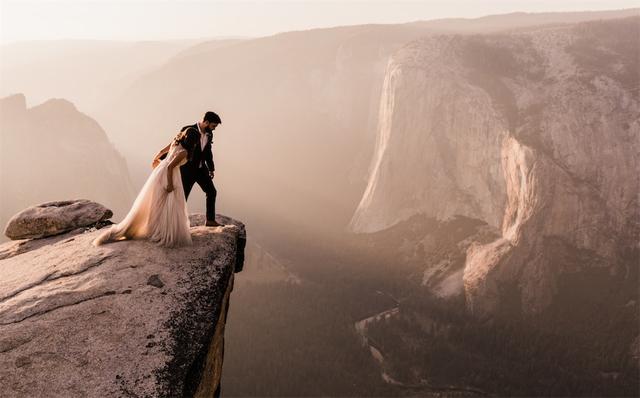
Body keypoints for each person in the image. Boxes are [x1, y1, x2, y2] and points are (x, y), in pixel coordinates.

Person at [92, 128, 200, 247]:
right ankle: (163, 231)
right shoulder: (184, 152)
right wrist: (170, 184)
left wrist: (155, 160)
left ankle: (156, 228)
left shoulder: (176, 142)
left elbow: (161, 152)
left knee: (158, 203)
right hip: (169, 175)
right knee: (168, 203)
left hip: (160, 172)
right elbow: (170, 167)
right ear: (193, 141)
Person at [153, 111, 222, 227]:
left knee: (211, 192)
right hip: (187, 171)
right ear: (206, 122)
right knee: (182, 198)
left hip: (201, 170)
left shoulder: (209, 134)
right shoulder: (188, 130)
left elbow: (208, 152)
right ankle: (173, 223)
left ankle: (210, 220)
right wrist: (161, 158)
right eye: (213, 126)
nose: (214, 129)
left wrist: (211, 168)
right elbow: (176, 147)